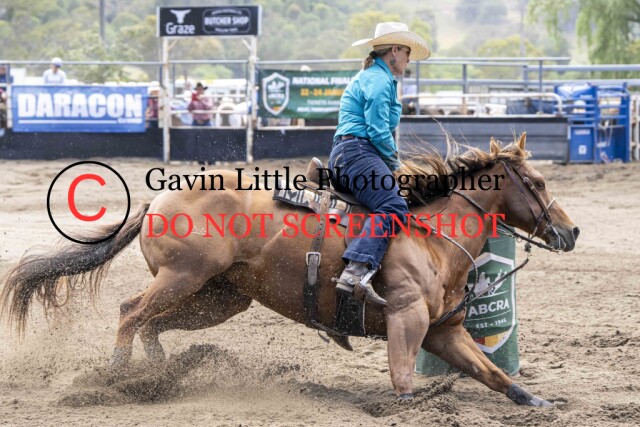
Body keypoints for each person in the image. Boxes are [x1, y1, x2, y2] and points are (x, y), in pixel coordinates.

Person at [329, 22, 430, 305]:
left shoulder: (374, 76)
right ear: (394, 50)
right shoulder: (379, 80)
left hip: (349, 153)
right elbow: (377, 131)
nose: (409, 59)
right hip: (358, 153)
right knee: (393, 205)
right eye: (407, 53)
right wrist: (396, 165)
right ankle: (356, 271)